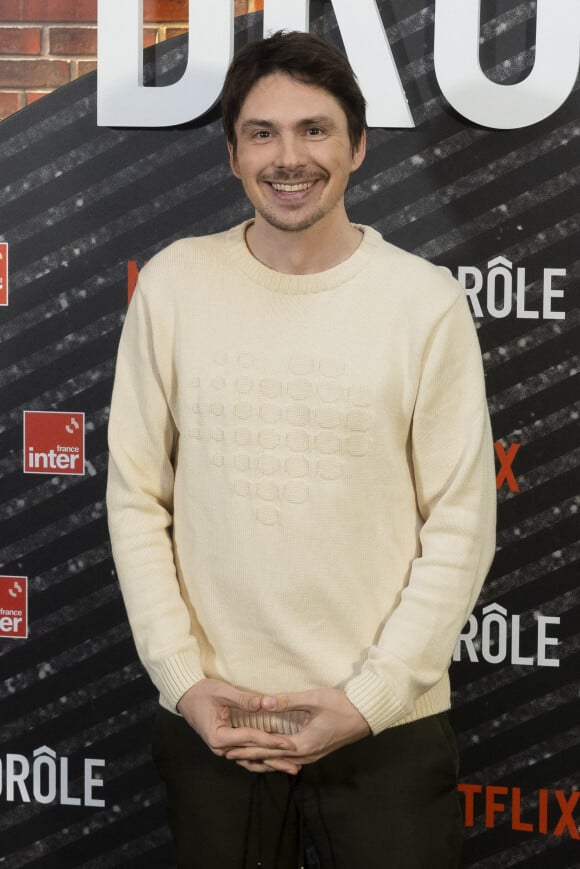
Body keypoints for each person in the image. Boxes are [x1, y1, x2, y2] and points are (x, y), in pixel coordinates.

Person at [106, 30, 496, 869]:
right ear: (233, 154)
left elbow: (461, 523)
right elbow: (137, 496)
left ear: (357, 146)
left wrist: (372, 697)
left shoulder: (424, 303)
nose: (290, 157)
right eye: (263, 132)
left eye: (315, 130)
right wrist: (184, 681)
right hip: (218, 724)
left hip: (386, 727)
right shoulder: (174, 285)